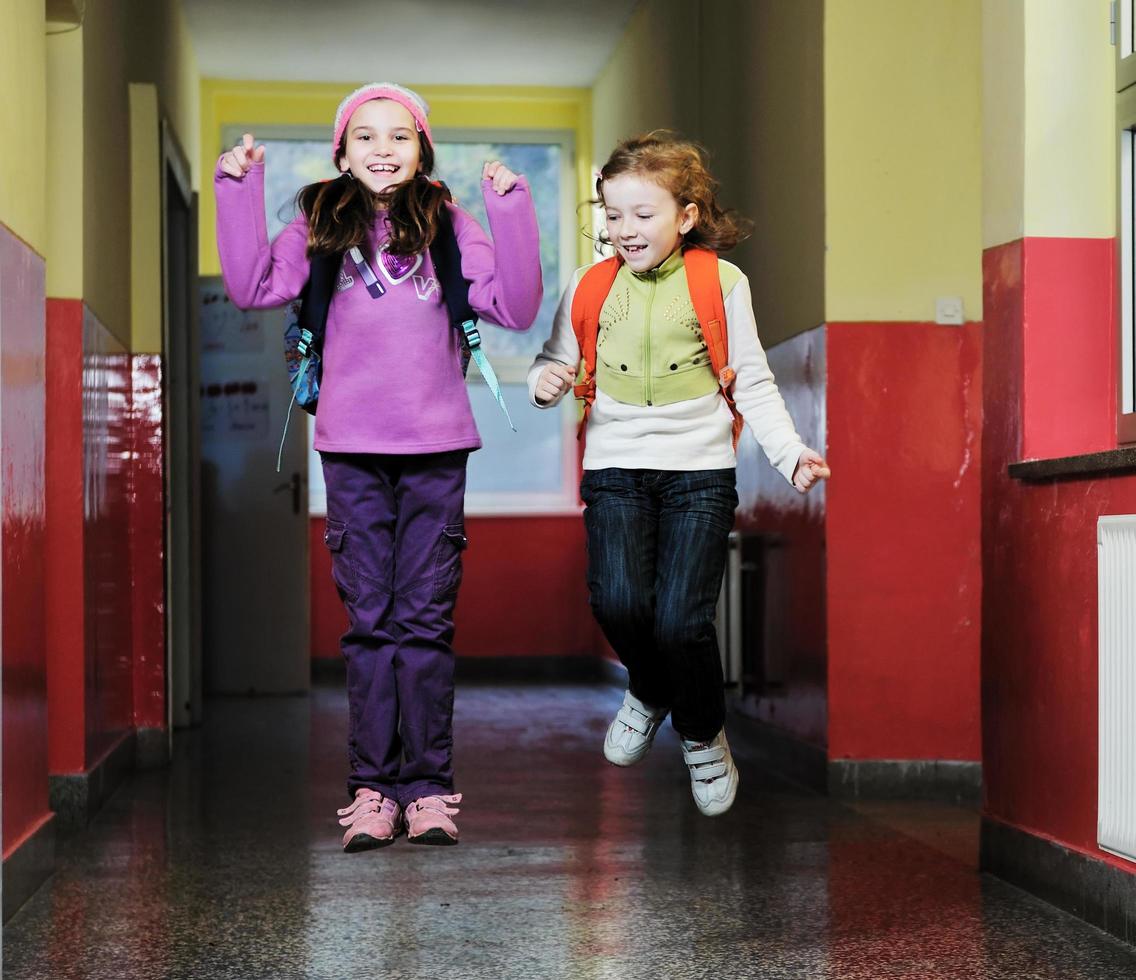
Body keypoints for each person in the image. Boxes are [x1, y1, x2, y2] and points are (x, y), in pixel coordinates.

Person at [215, 83, 542, 849]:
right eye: (366, 136)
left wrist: (514, 209)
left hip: (437, 451)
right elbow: (251, 285)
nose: (383, 149)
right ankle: (372, 791)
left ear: (423, 148)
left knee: (425, 623)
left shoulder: (452, 224)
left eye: (401, 136)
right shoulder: (319, 221)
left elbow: (518, 307)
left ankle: (427, 789)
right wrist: (239, 187)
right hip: (351, 451)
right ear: (341, 150)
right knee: (371, 625)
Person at [527, 132, 828, 817]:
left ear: (685, 216)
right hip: (615, 466)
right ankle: (651, 689)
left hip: (698, 470)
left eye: (643, 214)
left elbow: (750, 379)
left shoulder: (720, 282)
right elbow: (557, 361)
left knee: (682, 622)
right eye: (613, 214)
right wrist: (547, 384)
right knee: (618, 603)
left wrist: (789, 453)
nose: (624, 229)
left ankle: (701, 735)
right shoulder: (589, 285)